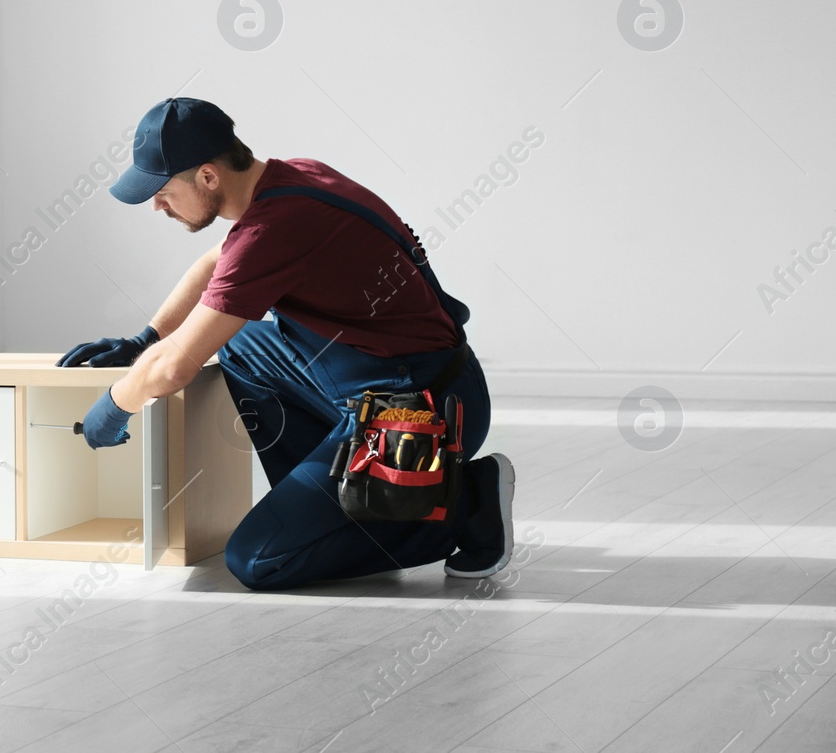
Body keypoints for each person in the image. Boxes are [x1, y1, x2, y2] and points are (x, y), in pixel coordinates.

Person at [57, 97, 515, 590]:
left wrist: (113, 406)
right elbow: (216, 265)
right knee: (240, 344)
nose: (157, 205)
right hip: (377, 379)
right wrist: (145, 339)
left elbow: (173, 371)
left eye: (164, 191)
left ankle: (465, 502)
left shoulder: (274, 229)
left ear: (208, 177)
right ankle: (340, 504)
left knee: (258, 560)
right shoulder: (292, 177)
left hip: (423, 408)